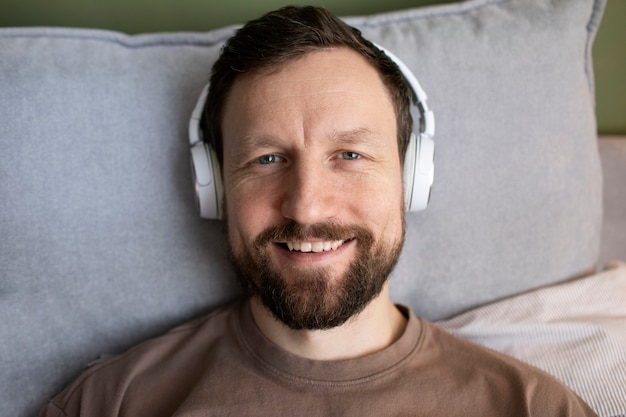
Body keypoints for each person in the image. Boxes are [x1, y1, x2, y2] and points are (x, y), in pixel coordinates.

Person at [40, 6, 597, 416]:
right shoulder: (111, 403)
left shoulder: (534, 407)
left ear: (412, 178)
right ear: (214, 189)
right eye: (266, 158)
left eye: (349, 154)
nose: (305, 205)